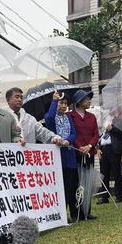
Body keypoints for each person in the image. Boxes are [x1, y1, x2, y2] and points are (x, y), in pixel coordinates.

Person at [44, 91, 78, 222]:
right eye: (61, 103)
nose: (63, 106)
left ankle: (74, 213)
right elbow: (51, 118)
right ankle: (62, 215)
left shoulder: (68, 117)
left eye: (65, 103)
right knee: (61, 186)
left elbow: (74, 133)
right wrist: (54, 100)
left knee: (72, 184)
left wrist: (68, 140)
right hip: (57, 154)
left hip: (69, 153)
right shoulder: (49, 116)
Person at [69, 89, 99, 219]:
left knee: (87, 182)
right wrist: (79, 147)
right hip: (75, 153)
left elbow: (96, 134)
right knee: (75, 183)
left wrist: (89, 146)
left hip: (89, 153)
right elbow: (71, 133)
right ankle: (76, 213)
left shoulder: (91, 117)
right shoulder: (70, 116)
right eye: (86, 99)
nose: (89, 101)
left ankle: (86, 211)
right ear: (79, 101)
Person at [96, 115, 122, 204]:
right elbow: (99, 136)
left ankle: (118, 196)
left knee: (116, 173)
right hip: (103, 149)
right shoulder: (102, 122)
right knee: (104, 174)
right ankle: (105, 196)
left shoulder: (118, 121)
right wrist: (98, 148)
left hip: (114, 149)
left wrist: (112, 128)